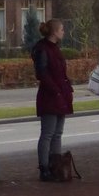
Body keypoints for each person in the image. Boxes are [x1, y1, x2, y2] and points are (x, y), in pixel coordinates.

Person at [31, 18, 73, 181]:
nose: (63, 32)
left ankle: (55, 164)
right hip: (51, 96)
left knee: (57, 133)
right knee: (48, 133)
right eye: (61, 29)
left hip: (59, 94)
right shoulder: (43, 49)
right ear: (55, 32)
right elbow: (42, 73)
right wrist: (56, 90)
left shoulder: (53, 49)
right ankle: (44, 167)